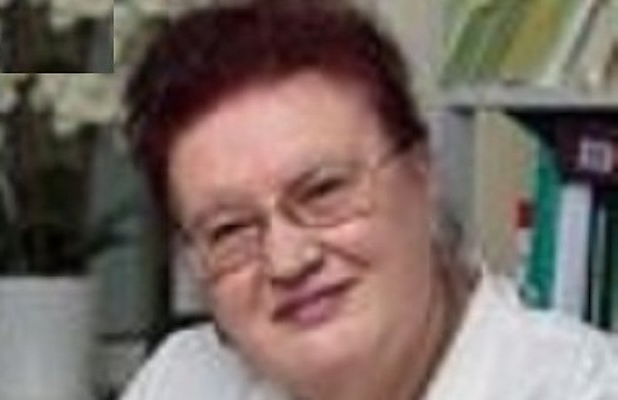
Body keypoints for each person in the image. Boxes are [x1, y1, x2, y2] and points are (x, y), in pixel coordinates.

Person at [120, 2, 618, 399]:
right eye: (229, 230)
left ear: (422, 175)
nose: (288, 261)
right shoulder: (184, 380)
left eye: (323, 191)